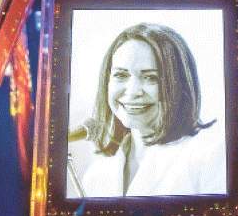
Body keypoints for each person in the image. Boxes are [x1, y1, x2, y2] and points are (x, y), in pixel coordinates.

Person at [78, 23, 226, 198]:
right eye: (121, 75)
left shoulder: (210, 157)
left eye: (151, 78)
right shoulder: (95, 175)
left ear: (180, 85)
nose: (132, 91)